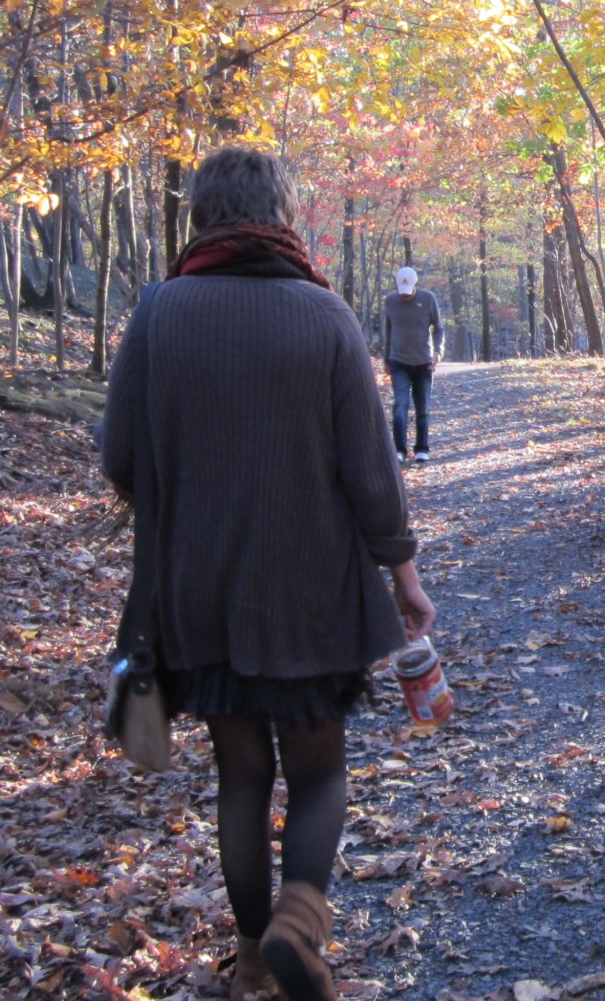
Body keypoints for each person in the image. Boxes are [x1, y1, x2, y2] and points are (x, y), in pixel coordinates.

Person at [99, 148, 436, 1001]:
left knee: (241, 775)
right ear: (281, 214)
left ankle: (254, 957)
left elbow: (120, 457)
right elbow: (372, 473)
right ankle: (300, 923)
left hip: (199, 587)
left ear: (199, 215)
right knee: (319, 771)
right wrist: (403, 573)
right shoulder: (323, 315)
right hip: (309, 589)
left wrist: (183, 504)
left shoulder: (158, 312)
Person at [382, 264, 443, 461]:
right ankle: (399, 450)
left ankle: (422, 449)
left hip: (424, 362)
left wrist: (438, 351)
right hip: (398, 362)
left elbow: (439, 328)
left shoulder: (428, 299)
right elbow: (388, 332)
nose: (405, 296)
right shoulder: (390, 302)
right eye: (402, 293)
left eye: (408, 293)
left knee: (422, 408)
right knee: (400, 405)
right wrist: (386, 360)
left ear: (415, 285)